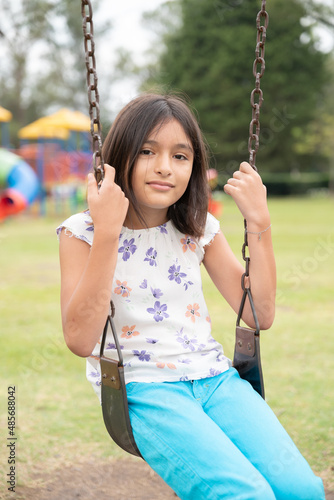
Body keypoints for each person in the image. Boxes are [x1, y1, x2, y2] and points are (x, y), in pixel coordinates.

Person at [57, 93, 325, 500]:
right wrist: (108, 232)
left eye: (181, 156)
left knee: (301, 490)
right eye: (147, 151)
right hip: (143, 388)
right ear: (119, 157)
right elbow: (79, 339)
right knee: (244, 494)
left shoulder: (197, 227)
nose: (165, 167)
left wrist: (259, 221)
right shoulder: (83, 231)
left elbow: (259, 314)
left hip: (214, 380)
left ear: (194, 168)